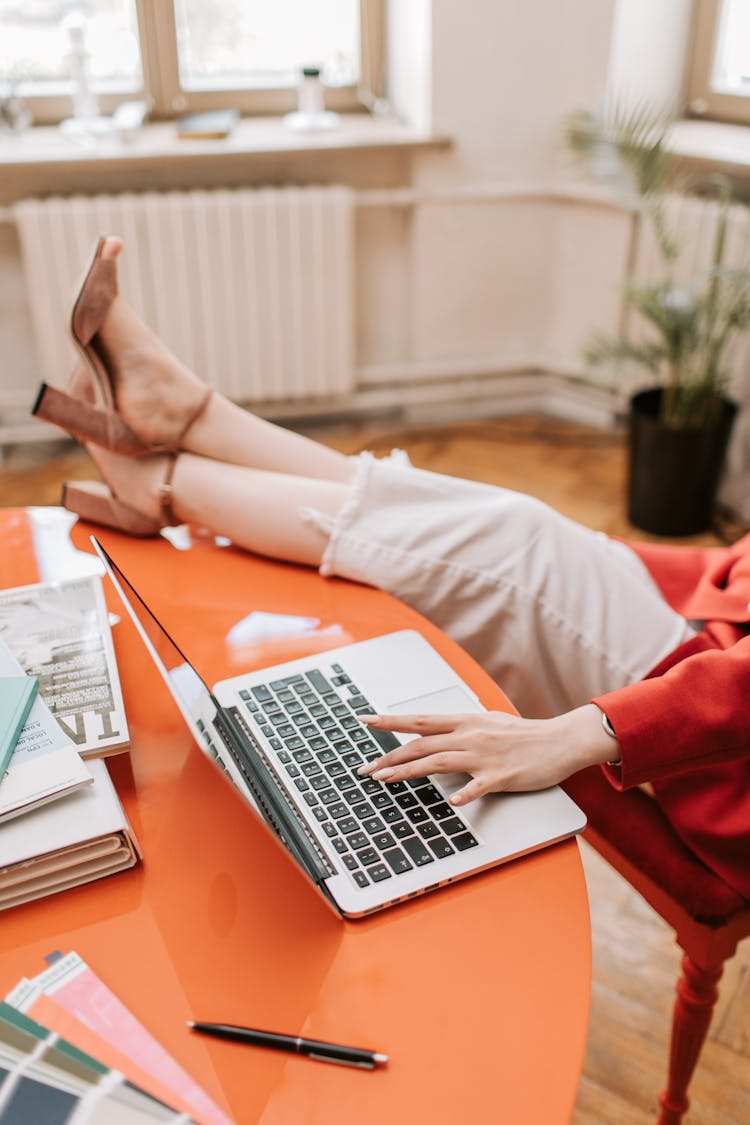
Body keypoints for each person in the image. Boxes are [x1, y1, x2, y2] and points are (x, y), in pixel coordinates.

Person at [33, 237, 750, 902]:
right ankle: (174, 450)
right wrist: (639, 564)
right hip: (727, 623)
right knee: (515, 527)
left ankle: (174, 457)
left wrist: (580, 732)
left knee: (517, 546)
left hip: (728, 740)